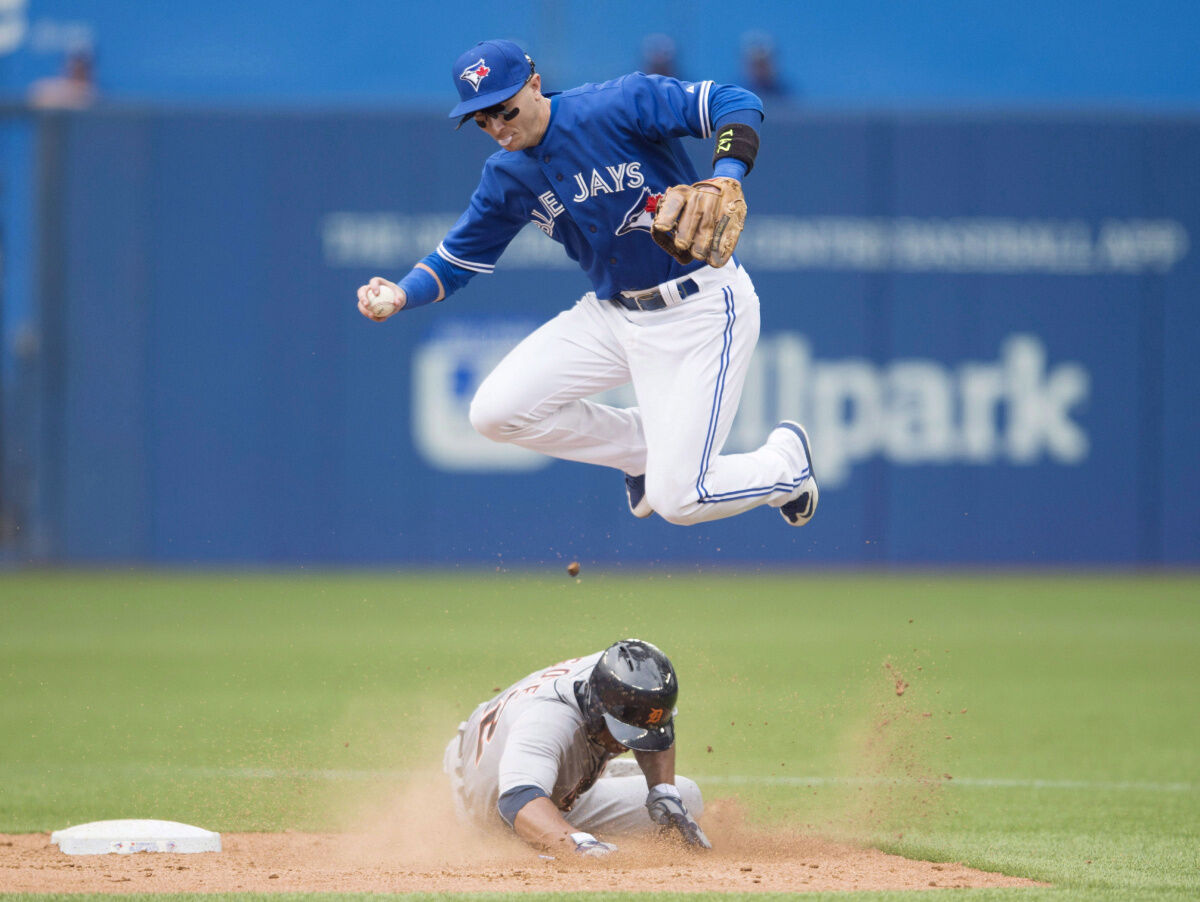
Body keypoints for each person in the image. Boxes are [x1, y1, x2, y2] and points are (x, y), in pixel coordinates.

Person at [356, 39, 817, 528]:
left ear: (534, 86)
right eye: (481, 120)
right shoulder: (506, 175)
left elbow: (737, 101)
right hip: (613, 314)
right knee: (494, 413)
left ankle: (786, 464)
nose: (496, 128)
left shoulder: (617, 104)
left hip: (702, 307)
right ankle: (640, 451)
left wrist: (726, 175)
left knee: (680, 500)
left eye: (504, 111)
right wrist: (403, 293)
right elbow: (455, 261)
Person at [442, 638, 709, 856]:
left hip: (539, 768)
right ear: (597, 705)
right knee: (564, 848)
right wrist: (578, 845)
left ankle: (588, 784)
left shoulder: (622, 679)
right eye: (624, 733)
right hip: (489, 805)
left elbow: (653, 724)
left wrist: (663, 792)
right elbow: (516, 801)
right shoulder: (547, 719)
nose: (628, 745)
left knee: (684, 796)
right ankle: (571, 813)